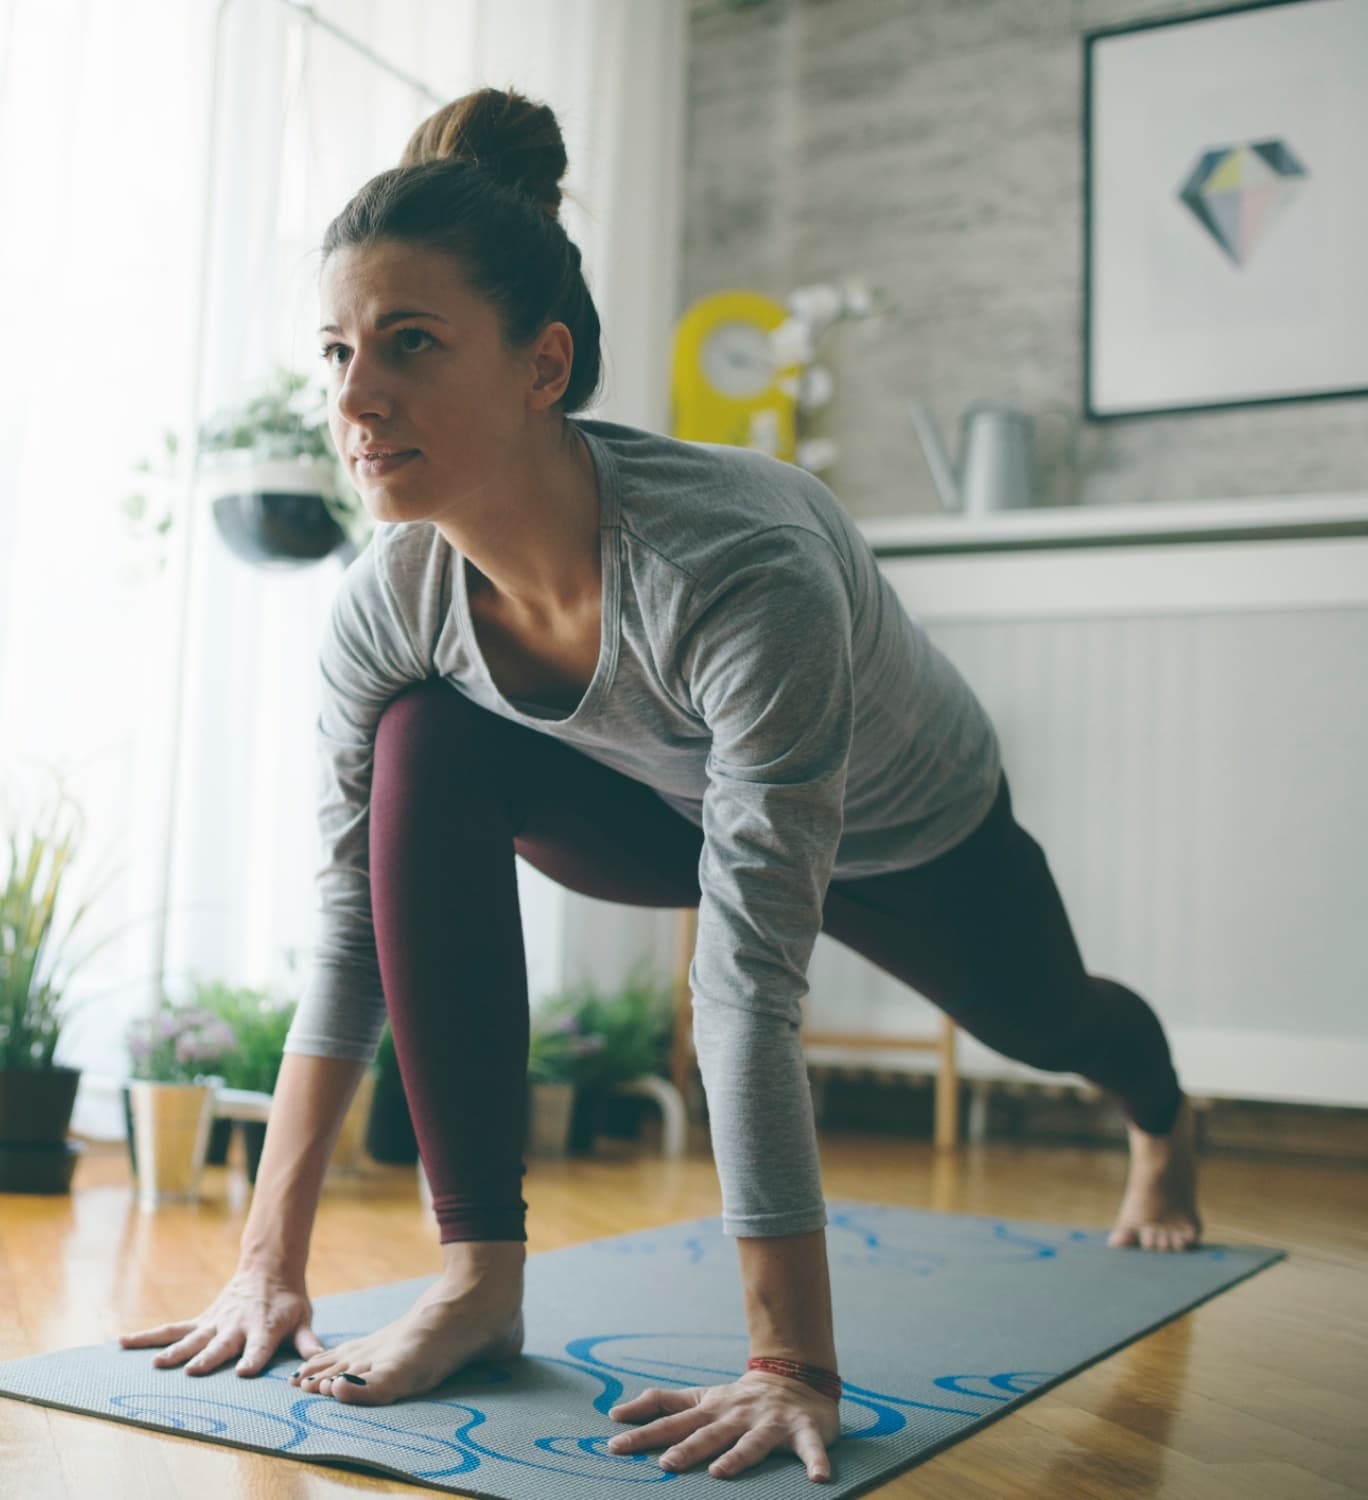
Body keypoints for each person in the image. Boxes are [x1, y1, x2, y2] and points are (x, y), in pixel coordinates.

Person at [119, 86, 1202, 1485]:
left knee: (1049, 1020)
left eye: (409, 345)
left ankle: (1168, 1121)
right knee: (424, 748)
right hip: (649, 807)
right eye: (336, 351)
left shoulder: (741, 569)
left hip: (903, 826)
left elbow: (747, 983)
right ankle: (478, 1278)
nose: (352, 398)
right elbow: (351, 927)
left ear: (541, 365)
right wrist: (265, 1268)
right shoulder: (391, 599)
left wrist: (789, 1365)